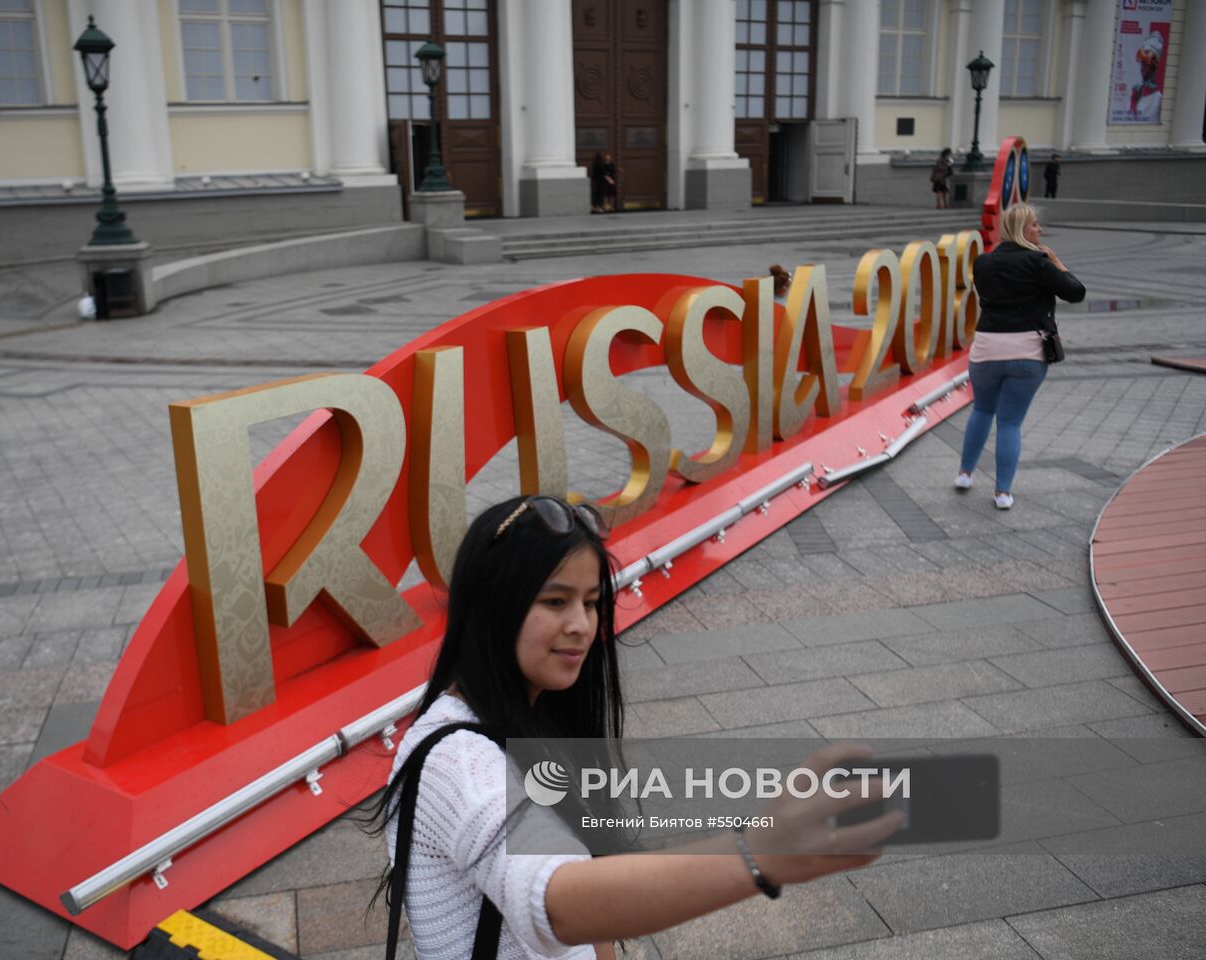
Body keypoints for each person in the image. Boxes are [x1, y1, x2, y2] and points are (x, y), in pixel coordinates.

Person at [374, 496, 903, 960]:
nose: (582, 625)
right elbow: (551, 897)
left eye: (591, 602)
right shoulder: (458, 763)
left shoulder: (531, 714)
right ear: (493, 608)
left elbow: (582, 874)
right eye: (555, 602)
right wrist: (759, 854)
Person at [956, 204, 1085, 510]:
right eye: (1036, 225)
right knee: (1010, 422)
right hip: (1027, 352)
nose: (1040, 230)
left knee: (982, 410)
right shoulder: (1039, 262)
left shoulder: (983, 262)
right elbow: (1076, 292)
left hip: (986, 348)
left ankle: (964, 474)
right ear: (1024, 230)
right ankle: (1002, 493)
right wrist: (1056, 262)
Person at [1132, 32, 1164, 123]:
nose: (1142, 66)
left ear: (1155, 64)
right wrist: (1133, 102)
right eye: (1142, 62)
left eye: (1146, 62)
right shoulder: (1136, 96)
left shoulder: (1158, 99)